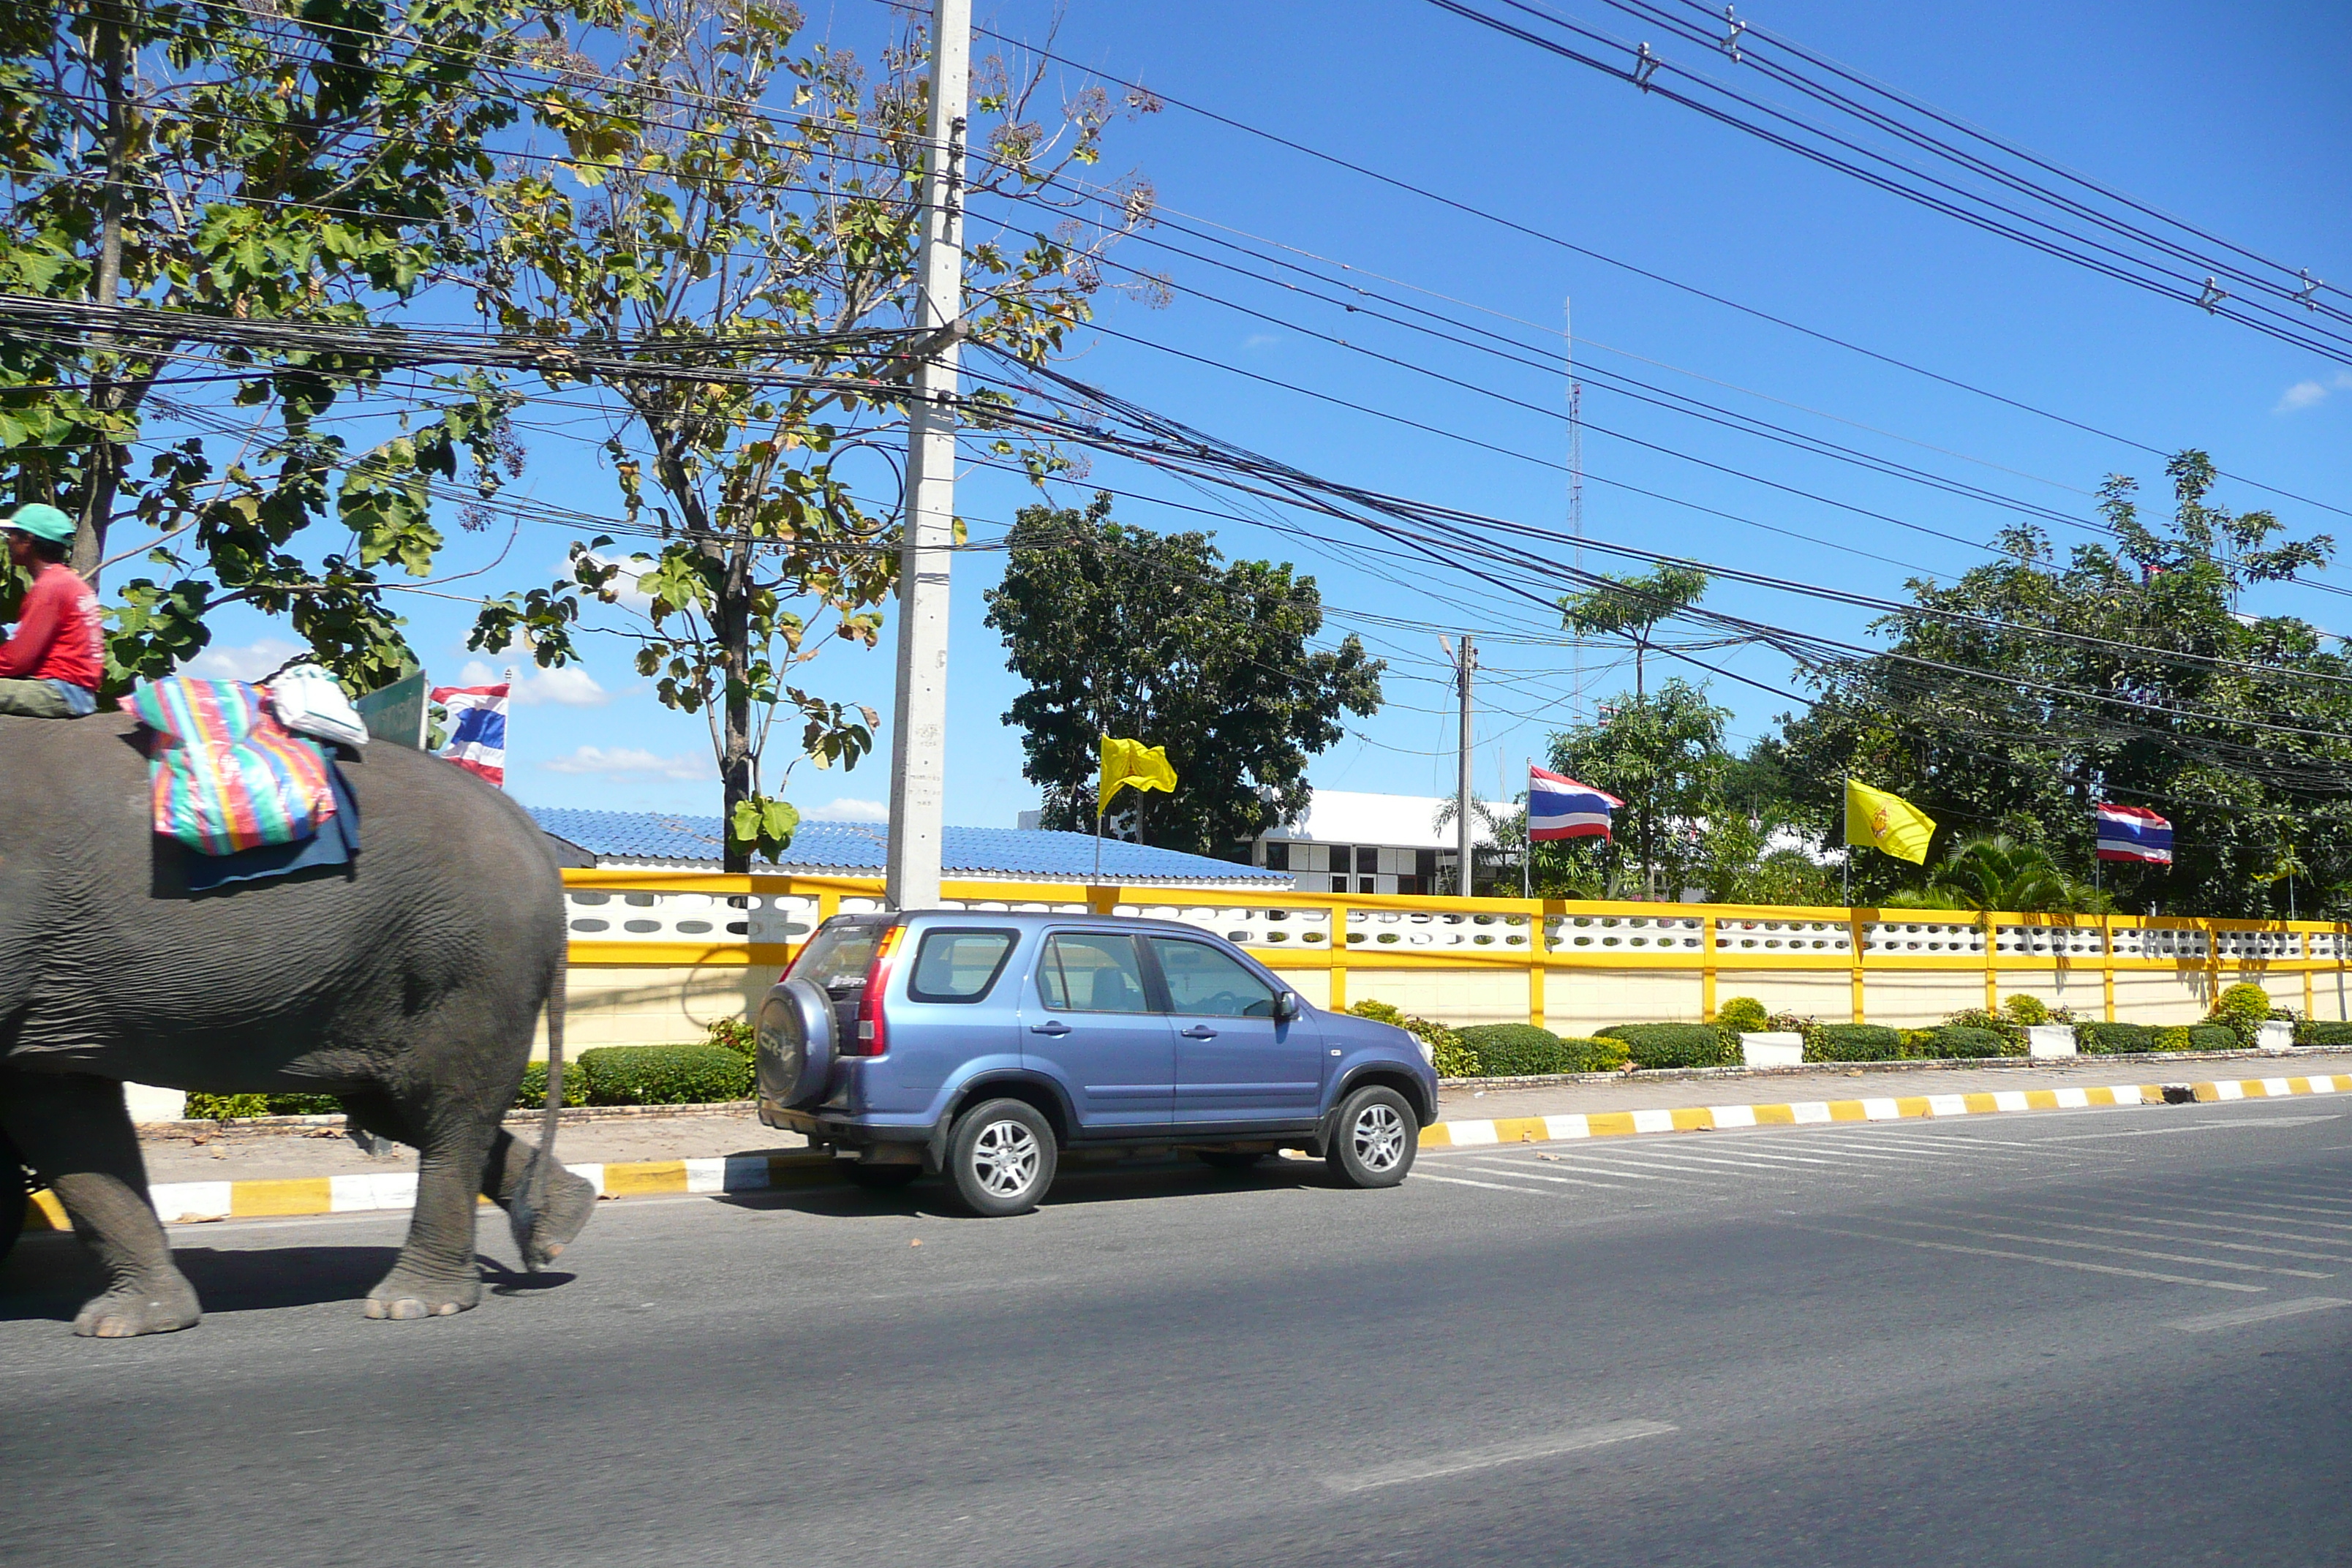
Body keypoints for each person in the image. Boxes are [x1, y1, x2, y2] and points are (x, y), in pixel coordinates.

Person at [0, 503, 103, 717]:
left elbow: (16, 660)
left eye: (12, 535)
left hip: (59, 691)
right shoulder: (70, 583)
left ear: (28, 540)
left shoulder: (49, 587)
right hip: (78, 691)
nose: (8, 540)